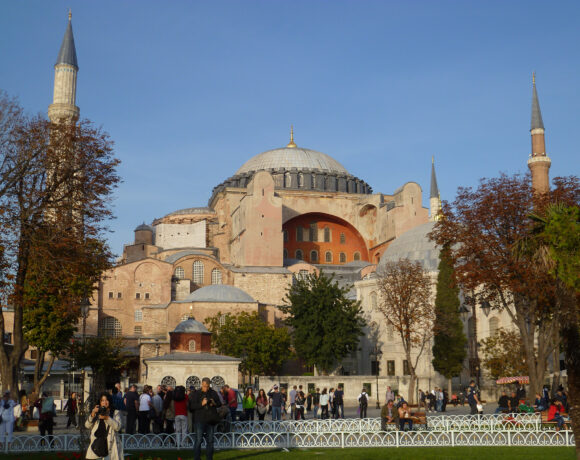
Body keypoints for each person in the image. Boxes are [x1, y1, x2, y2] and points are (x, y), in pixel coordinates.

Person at [189, 377, 222, 460]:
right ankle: (197, 458)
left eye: (207, 386)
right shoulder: (196, 393)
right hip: (199, 420)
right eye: (204, 386)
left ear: (209, 385)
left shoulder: (213, 393)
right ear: (201, 384)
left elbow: (219, 404)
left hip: (210, 420)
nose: (206, 388)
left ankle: (209, 458)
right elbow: (191, 407)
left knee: (210, 441)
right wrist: (202, 404)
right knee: (198, 440)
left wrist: (214, 403)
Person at [86, 392, 123, 460]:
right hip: (97, 445)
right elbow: (87, 425)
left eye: (106, 400)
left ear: (109, 401)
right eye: (102, 400)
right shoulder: (96, 412)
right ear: (100, 402)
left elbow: (118, 427)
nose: (104, 402)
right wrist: (93, 413)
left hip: (110, 445)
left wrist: (107, 418)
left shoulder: (115, 412)